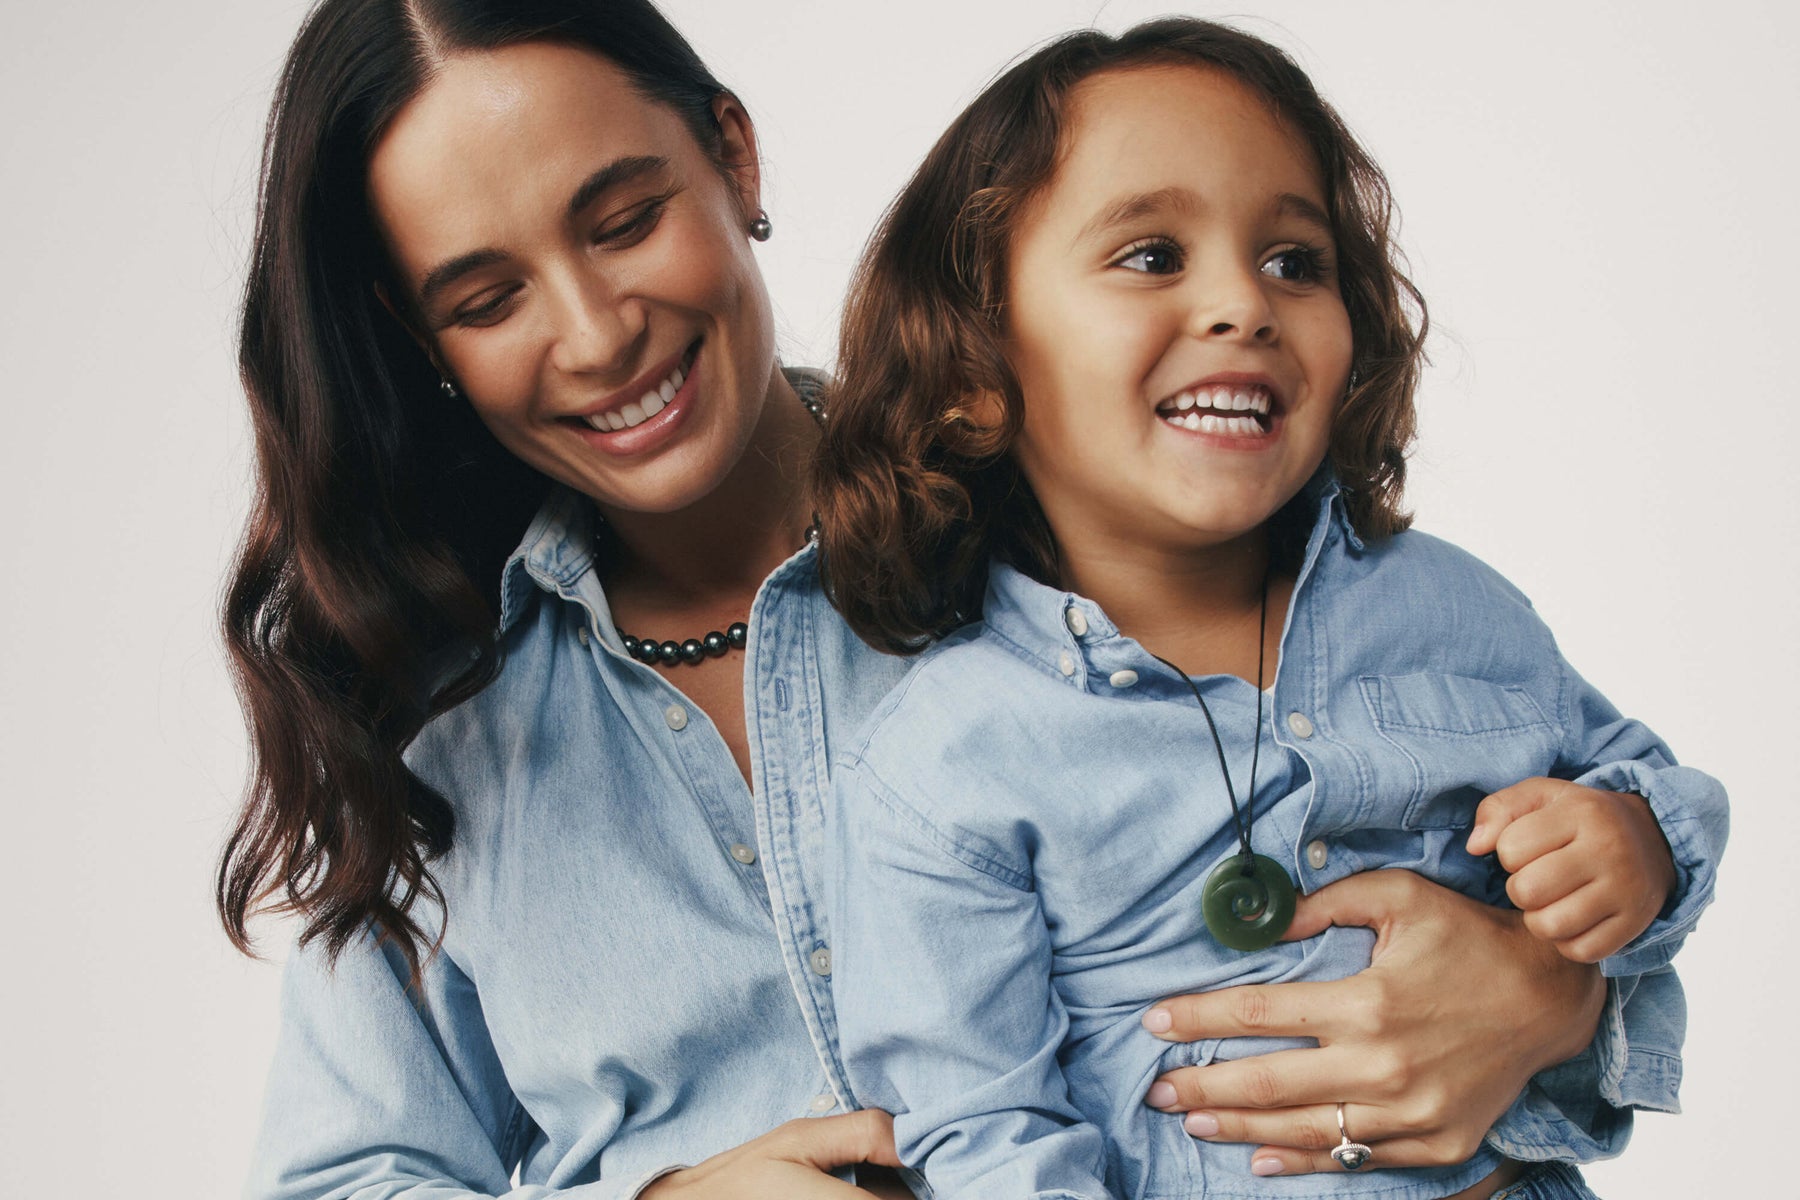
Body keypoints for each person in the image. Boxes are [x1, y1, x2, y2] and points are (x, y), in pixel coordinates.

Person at [222, 2, 1678, 1197]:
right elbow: (344, 1180)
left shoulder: (1103, 514)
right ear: (420, 338)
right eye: (486, 300)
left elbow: (1451, 796)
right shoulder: (430, 727)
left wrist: (1555, 1001)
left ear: (733, 157)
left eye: (624, 219)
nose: (597, 335)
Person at [815, 18, 1726, 1200]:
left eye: (1296, 261)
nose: (1244, 304)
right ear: (975, 363)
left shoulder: (1454, 608)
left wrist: (1635, 847)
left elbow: (1633, 778)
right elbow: (987, 1136)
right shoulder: (942, 763)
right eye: (1152, 254)